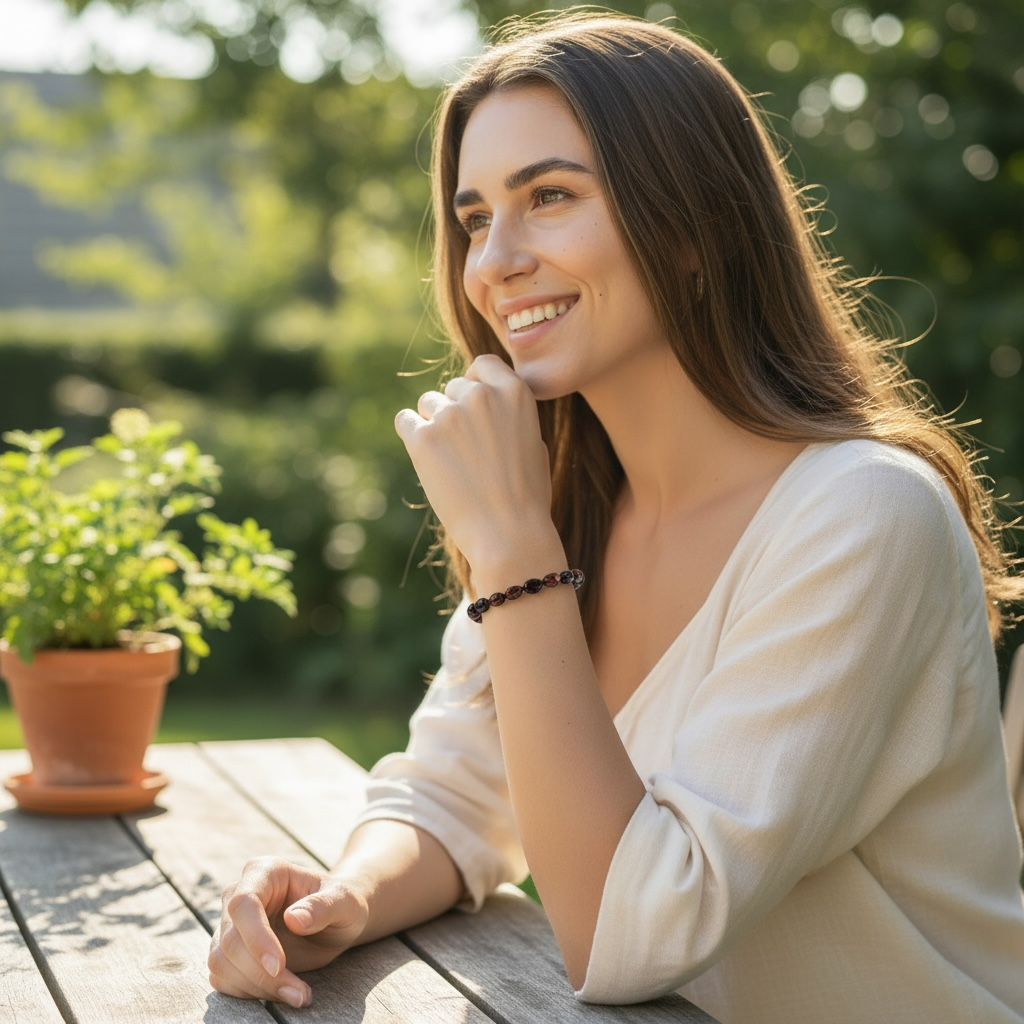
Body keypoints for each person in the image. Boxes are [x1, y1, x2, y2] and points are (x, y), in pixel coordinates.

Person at [208, 12, 1024, 1022]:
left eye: (547, 197)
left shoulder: (862, 515)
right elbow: (457, 789)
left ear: (689, 228)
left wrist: (512, 556)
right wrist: (343, 896)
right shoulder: (573, 505)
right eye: (473, 218)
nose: (493, 261)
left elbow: (627, 935)